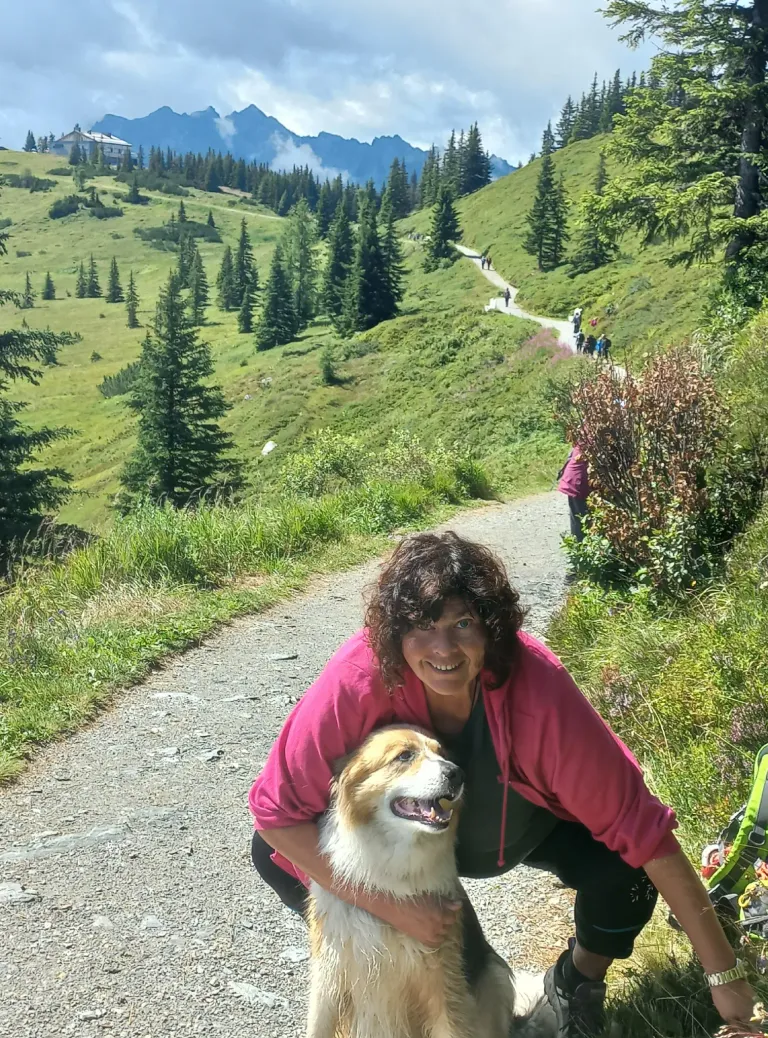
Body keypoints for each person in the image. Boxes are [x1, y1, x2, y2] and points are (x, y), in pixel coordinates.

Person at [249, 533, 755, 1038]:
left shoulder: (540, 691)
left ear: (491, 627)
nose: (443, 649)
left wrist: (723, 972)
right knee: (277, 855)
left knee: (628, 870)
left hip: (521, 829)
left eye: (462, 623)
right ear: (393, 633)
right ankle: (385, 994)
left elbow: (646, 831)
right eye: (422, 627)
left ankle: (574, 986)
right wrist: (395, 909)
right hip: (401, 836)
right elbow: (275, 815)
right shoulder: (358, 677)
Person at [558, 445, 591, 542]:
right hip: (578, 482)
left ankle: (580, 545)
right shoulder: (594, 438)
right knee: (580, 520)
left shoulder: (586, 437)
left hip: (578, 479)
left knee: (580, 519)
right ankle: (580, 546)